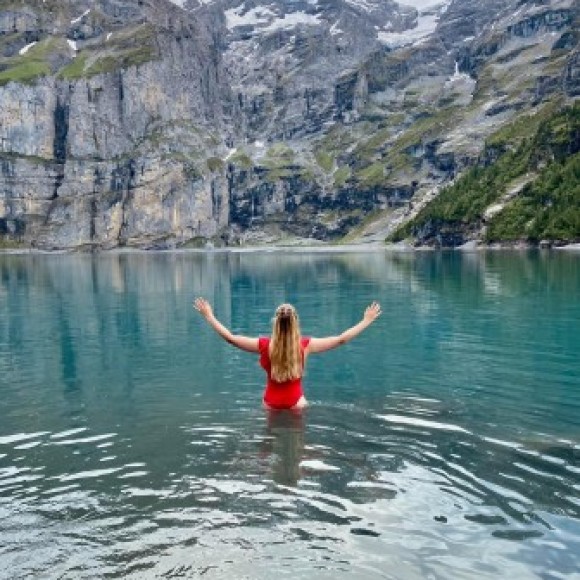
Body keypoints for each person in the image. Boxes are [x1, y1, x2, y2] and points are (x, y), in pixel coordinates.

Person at [193, 298, 381, 410]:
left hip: (270, 403)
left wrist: (209, 315)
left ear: (275, 322)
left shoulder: (263, 345)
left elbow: (230, 338)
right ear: (296, 322)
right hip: (296, 403)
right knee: (296, 449)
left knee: (269, 447)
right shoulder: (306, 345)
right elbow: (341, 339)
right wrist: (366, 320)